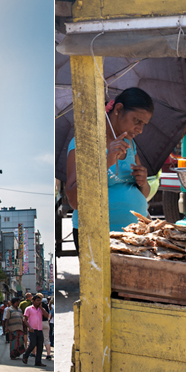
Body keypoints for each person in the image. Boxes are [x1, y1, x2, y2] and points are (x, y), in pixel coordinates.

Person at [66, 87, 154, 250]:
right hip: (95, 236)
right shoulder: (84, 142)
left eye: (144, 124)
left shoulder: (131, 145)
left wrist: (143, 183)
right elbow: (74, 199)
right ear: (119, 109)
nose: (140, 130)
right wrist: (105, 163)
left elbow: (143, 193)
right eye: (137, 121)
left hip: (133, 235)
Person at [22, 294, 50, 367]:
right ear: (33, 301)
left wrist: (41, 308)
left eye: (39, 301)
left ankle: (38, 361)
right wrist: (29, 327)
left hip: (39, 329)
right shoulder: (29, 309)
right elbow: (24, 319)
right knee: (33, 344)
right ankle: (25, 355)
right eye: (37, 301)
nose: (39, 302)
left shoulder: (41, 309)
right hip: (32, 329)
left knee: (40, 346)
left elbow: (47, 316)